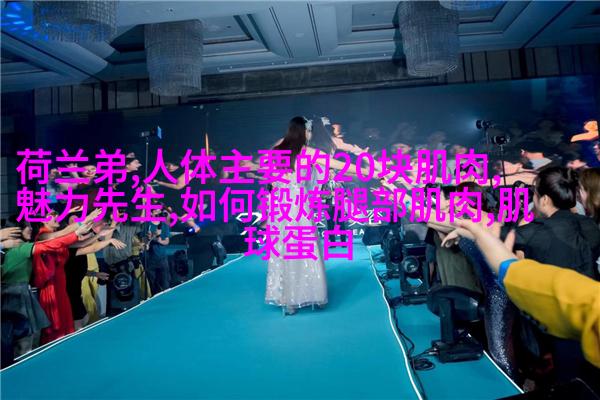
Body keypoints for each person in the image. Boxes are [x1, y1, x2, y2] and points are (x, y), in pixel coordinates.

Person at [450, 219, 600, 370]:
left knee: (501, 345)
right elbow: (583, 300)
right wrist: (509, 268)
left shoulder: (541, 224)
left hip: (504, 292)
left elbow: (581, 301)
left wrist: (509, 268)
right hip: (511, 286)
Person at [265, 116, 372, 315]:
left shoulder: (277, 150)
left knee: (284, 248)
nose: (310, 135)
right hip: (298, 204)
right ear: (304, 132)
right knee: (306, 247)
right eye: (309, 131)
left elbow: (270, 181)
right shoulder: (308, 152)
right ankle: (313, 294)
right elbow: (338, 165)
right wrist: (366, 170)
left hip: (280, 205)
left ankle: (288, 300)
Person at [1, 215, 95, 366]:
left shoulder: (13, 248)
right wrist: (77, 232)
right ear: (16, 230)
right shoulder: (20, 248)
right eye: (27, 225)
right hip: (16, 298)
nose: (31, 228)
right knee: (23, 343)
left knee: (17, 343)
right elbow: (51, 244)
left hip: (14, 295)